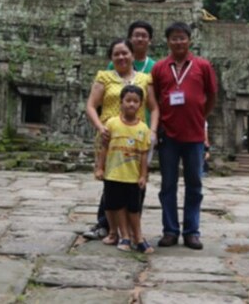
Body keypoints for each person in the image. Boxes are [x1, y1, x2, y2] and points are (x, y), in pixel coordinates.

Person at [83, 21, 156, 240]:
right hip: (109, 137)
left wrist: (152, 132)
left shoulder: (145, 78)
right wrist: (100, 126)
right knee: (111, 182)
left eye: (125, 53)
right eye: (116, 54)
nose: (121, 57)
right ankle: (107, 225)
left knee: (136, 182)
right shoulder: (104, 76)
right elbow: (91, 105)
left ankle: (133, 228)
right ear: (111, 58)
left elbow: (154, 107)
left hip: (137, 137)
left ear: (132, 55)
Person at [152, 21, 217, 250]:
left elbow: (211, 95)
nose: (178, 42)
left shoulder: (202, 66)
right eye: (174, 38)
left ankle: (192, 232)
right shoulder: (160, 67)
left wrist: (200, 115)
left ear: (189, 40)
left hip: (195, 136)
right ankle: (170, 230)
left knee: (195, 185)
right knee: (167, 185)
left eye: (182, 37)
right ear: (167, 41)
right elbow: (155, 98)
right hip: (168, 135)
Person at [94, 85, 154, 253]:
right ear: (121, 102)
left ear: (141, 104)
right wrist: (100, 168)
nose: (131, 104)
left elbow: (143, 155)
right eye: (128, 100)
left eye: (136, 101)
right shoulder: (111, 124)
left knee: (133, 209)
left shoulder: (143, 129)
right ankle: (122, 236)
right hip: (113, 174)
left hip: (132, 177)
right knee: (115, 206)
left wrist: (143, 175)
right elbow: (104, 148)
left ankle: (137, 236)